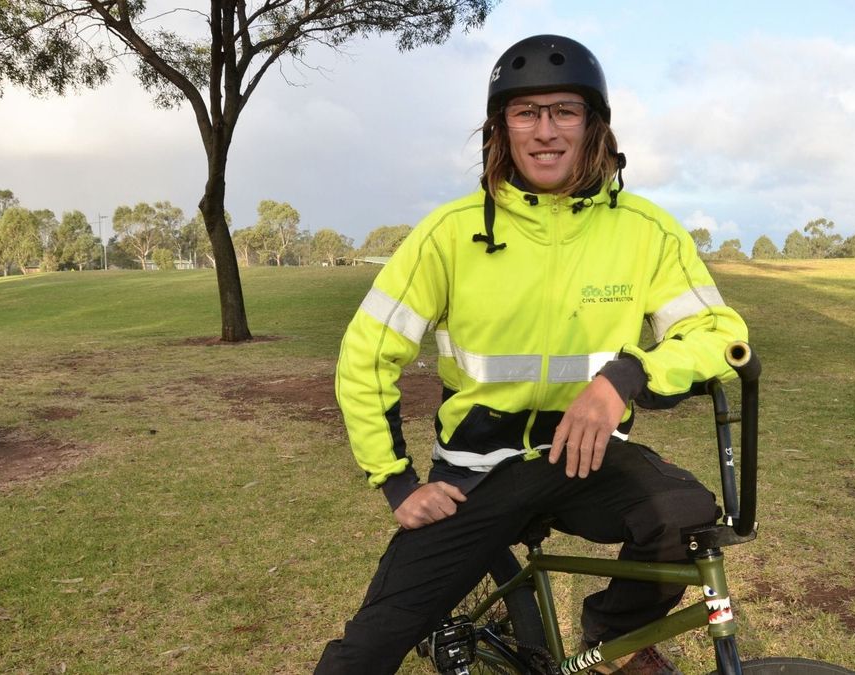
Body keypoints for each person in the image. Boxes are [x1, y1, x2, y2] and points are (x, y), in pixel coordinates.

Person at [316, 34, 748, 674]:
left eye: (564, 111)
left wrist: (626, 376)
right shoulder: (449, 233)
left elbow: (719, 334)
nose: (546, 131)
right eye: (527, 113)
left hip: (587, 460)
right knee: (365, 654)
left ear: (593, 125)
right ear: (502, 129)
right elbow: (366, 353)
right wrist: (398, 481)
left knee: (684, 514)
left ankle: (612, 641)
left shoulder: (646, 231)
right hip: (474, 474)